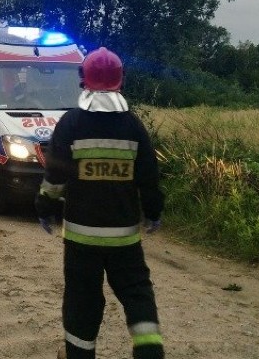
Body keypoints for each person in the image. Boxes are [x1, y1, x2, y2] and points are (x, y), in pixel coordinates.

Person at [34, 47, 165, 359]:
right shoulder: (133, 126)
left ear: (84, 81)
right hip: (125, 239)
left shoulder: (71, 124)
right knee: (137, 295)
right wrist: (154, 211)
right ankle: (149, 353)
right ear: (120, 81)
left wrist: (45, 207)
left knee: (82, 300)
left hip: (81, 238)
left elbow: (55, 176)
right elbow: (148, 176)